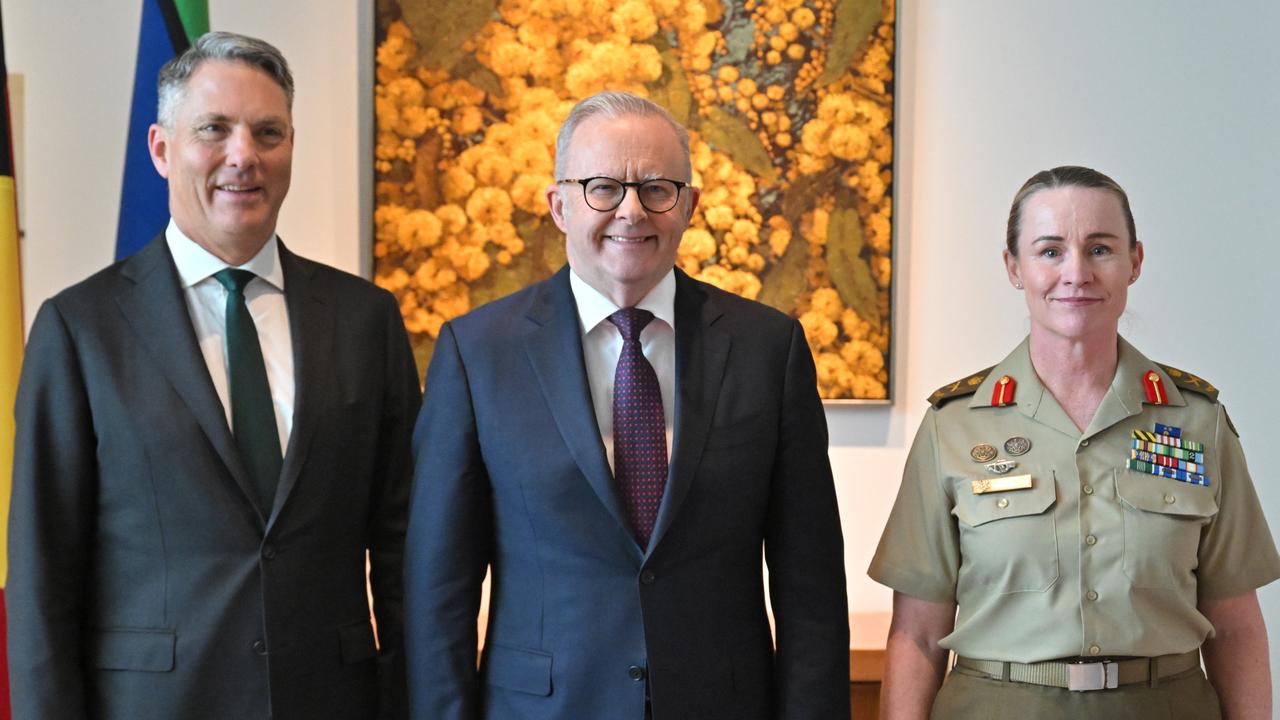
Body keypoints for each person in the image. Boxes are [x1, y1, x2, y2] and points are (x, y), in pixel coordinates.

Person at [6, 32, 420, 719]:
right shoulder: (80, 330)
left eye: (268, 132)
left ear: (291, 146)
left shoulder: (366, 320)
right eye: (214, 129)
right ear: (161, 149)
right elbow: (43, 575)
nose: (243, 155)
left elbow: (407, 545)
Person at [404, 91, 849, 720]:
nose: (631, 210)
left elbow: (811, 587)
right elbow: (438, 589)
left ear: (689, 206)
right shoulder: (477, 353)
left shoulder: (767, 349)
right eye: (603, 188)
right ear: (559, 206)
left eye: (657, 189)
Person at [869, 165, 1280, 719]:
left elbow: (1235, 628)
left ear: (1135, 262)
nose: (1077, 273)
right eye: (1050, 251)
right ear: (1014, 267)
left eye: (1100, 249)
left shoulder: (1198, 423)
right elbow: (917, 634)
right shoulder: (955, 426)